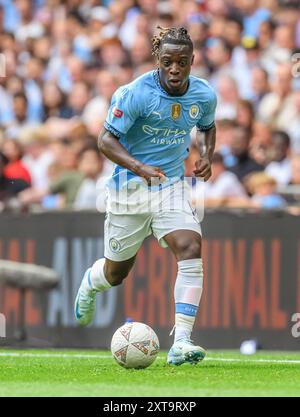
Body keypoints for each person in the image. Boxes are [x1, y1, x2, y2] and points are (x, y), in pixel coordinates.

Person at [74, 27, 217, 366]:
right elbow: (105, 141)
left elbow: (207, 126)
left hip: (170, 187)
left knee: (191, 245)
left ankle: (181, 341)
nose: (174, 69)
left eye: (182, 62)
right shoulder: (134, 94)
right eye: (167, 62)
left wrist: (207, 154)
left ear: (192, 61)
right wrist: (140, 168)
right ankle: (92, 282)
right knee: (116, 274)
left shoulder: (204, 94)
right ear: (158, 60)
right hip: (129, 191)